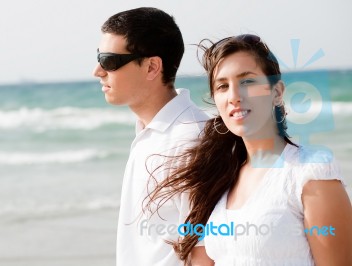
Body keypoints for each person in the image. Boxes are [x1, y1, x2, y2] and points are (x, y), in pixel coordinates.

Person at [146, 34, 352, 265]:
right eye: (223, 86)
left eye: (247, 81)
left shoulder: (310, 173)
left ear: (276, 93)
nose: (234, 96)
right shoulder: (219, 179)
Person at [92, 7, 209, 266]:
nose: (97, 71)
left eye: (110, 61)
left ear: (152, 67)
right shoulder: (151, 131)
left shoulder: (192, 140)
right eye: (99, 57)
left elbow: (205, 250)